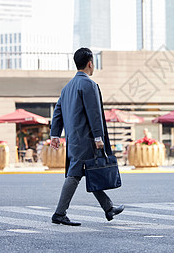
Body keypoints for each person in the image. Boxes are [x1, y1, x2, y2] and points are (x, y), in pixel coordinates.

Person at [50, 47, 124, 226]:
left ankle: (108, 208)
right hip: (86, 139)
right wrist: (98, 137)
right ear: (90, 63)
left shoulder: (67, 88)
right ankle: (59, 214)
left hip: (74, 140)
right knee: (75, 174)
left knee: (90, 172)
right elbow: (94, 113)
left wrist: (55, 134)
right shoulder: (88, 84)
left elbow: (57, 112)